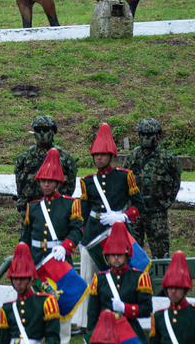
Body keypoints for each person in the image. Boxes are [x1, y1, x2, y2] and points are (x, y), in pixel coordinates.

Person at [77, 123, 144, 331]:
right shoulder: (88, 181)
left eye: (102, 154)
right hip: (93, 233)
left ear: (111, 155)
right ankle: (85, 322)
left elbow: (138, 205)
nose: (98, 158)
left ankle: (121, 318)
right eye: (95, 155)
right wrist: (81, 236)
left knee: (119, 277)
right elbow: (84, 211)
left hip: (117, 232)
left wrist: (122, 216)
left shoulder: (125, 176)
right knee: (88, 276)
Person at [19, 148, 83, 343]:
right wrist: (23, 257)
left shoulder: (70, 204)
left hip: (59, 259)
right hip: (38, 261)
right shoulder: (34, 206)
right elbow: (26, 235)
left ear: (57, 183)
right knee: (38, 303)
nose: (46, 184)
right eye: (43, 181)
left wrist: (66, 246)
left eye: (50, 181)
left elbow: (77, 230)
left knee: (60, 303)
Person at [123, 118, 181, 259]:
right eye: (142, 134)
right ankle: (135, 280)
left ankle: (161, 280)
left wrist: (164, 204)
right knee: (132, 251)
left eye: (149, 135)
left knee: (161, 252)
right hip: (135, 212)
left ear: (157, 135)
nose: (145, 138)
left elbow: (175, 183)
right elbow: (124, 181)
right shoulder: (132, 157)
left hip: (157, 213)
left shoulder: (168, 158)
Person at [85, 221, 152, 342]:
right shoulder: (100, 279)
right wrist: (91, 334)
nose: (116, 258)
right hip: (105, 332)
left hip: (130, 331)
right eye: (112, 255)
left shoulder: (139, 277)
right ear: (107, 257)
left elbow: (146, 309)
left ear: (127, 255)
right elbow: (92, 313)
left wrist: (125, 308)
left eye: (120, 254)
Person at [0, 243, 61, 344]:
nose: (18, 283)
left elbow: (52, 338)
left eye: (22, 278)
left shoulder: (45, 303)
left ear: (31, 280)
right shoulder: (7, 309)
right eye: (15, 279)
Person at [13, 115, 78, 213]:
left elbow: (70, 186)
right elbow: (19, 183)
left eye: (45, 129)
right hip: (30, 209)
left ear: (53, 131)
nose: (42, 133)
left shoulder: (65, 158)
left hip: (56, 209)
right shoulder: (24, 157)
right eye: (38, 130)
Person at [150, 250, 193, 344]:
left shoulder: (192, 314)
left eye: (177, 287)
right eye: (170, 287)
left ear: (185, 289)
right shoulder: (159, 317)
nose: (173, 291)